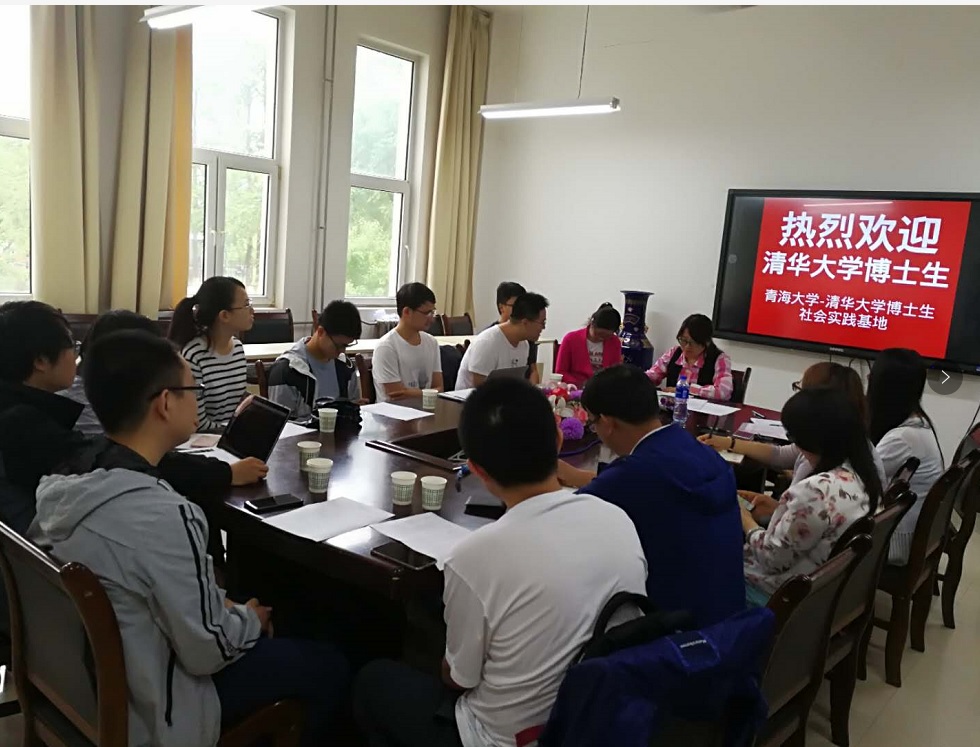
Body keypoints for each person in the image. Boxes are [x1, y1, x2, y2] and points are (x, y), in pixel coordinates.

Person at [29, 330, 348, 747]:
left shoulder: (64, 485)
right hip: (155, 706)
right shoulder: (163, 513)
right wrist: (250, 619)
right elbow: (208, 650)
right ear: (165, 403)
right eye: (193, 390)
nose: (198, 400)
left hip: (85, 689)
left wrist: (221, 604)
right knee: (330, 664)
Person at [352, 378, 646, 747]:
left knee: (374, 678)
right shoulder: (618, 518)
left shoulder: (474, 557)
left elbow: (459, 679)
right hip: (602, 718)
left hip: (504, 738)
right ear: (558, 440)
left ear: (477, 469)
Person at [556, 365, 744, 626]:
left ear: (608, 423)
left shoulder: (634, 475)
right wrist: (580, 476)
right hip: (730, 618)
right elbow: (646, 480)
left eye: (593, 423)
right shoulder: (694, 448)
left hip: (674, 631)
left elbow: (560, 521)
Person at [741, 387, 883, 606]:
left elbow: (772, 559)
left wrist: (746, 521)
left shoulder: (814, 491)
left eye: (792, 436)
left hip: (781, 596)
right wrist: (780, 509)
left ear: (810, 439)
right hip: (826, 594)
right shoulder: (864, 475)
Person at [699, 361, 886, 494]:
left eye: (801, 390)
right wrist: (729, 442)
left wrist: (748, 518)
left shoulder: (819, 483)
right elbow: (780, 455)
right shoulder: (847, 442)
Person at [867, 348, 945, 564]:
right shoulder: (917, 423)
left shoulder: (902, 438)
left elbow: (857, 479)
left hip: (896, 542)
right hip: (910, 532)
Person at [170, 277, 254, 432]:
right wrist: (235, 430)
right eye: (246, 304)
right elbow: (198, 424)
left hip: (228, 435)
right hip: (202, 440)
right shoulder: (194, 355)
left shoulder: (237, 348)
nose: (252, 310)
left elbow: (236, 405)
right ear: (224, 315)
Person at [268, 300, 363, 419]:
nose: (342, 351)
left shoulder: (345, 367)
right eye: (338, 345)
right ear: (321, 332)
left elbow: (352, 408)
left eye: (346, 346)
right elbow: (280, 422)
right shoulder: (287, 370)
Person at [456, 292, 549, 390]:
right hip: (470, 398)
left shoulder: (524, 345)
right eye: (542, 323)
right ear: (525, 322)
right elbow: (480, 389)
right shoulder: (487, 342)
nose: (543, 327)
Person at [372, 282, 444, 402]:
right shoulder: (386, 347)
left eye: (433, 312)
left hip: (425, 409)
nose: (432, 319)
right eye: (426, 313)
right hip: (393, 412)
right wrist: (429, 393)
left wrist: (409, 392)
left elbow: (439, 388)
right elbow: (396, 395)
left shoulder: (431, 342)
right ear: (406, 312)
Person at [645, 313, 733, 401]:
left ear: (706, 342)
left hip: (702, 409)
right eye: (683, 340)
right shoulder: (674, 353)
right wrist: (640, 378)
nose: (687, 347)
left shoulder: (720, 359)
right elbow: (653, 375)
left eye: (692, 343)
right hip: (672, 407)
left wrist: (685, 389)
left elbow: (723, 392)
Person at [554, 303, 623, 387]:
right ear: (591, 324)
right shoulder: (570, 339)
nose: (601, 338)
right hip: (575, 387)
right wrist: (579, 384)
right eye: (598, 334)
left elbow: (615, 373)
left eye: (607, 336)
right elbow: (561, 371)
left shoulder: (614, 342)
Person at [486, 281, 540, 385]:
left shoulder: (526, 335)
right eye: (515, 306)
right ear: (501, 307)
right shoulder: (490, 338)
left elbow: (533, 371)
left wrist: (532, 391)